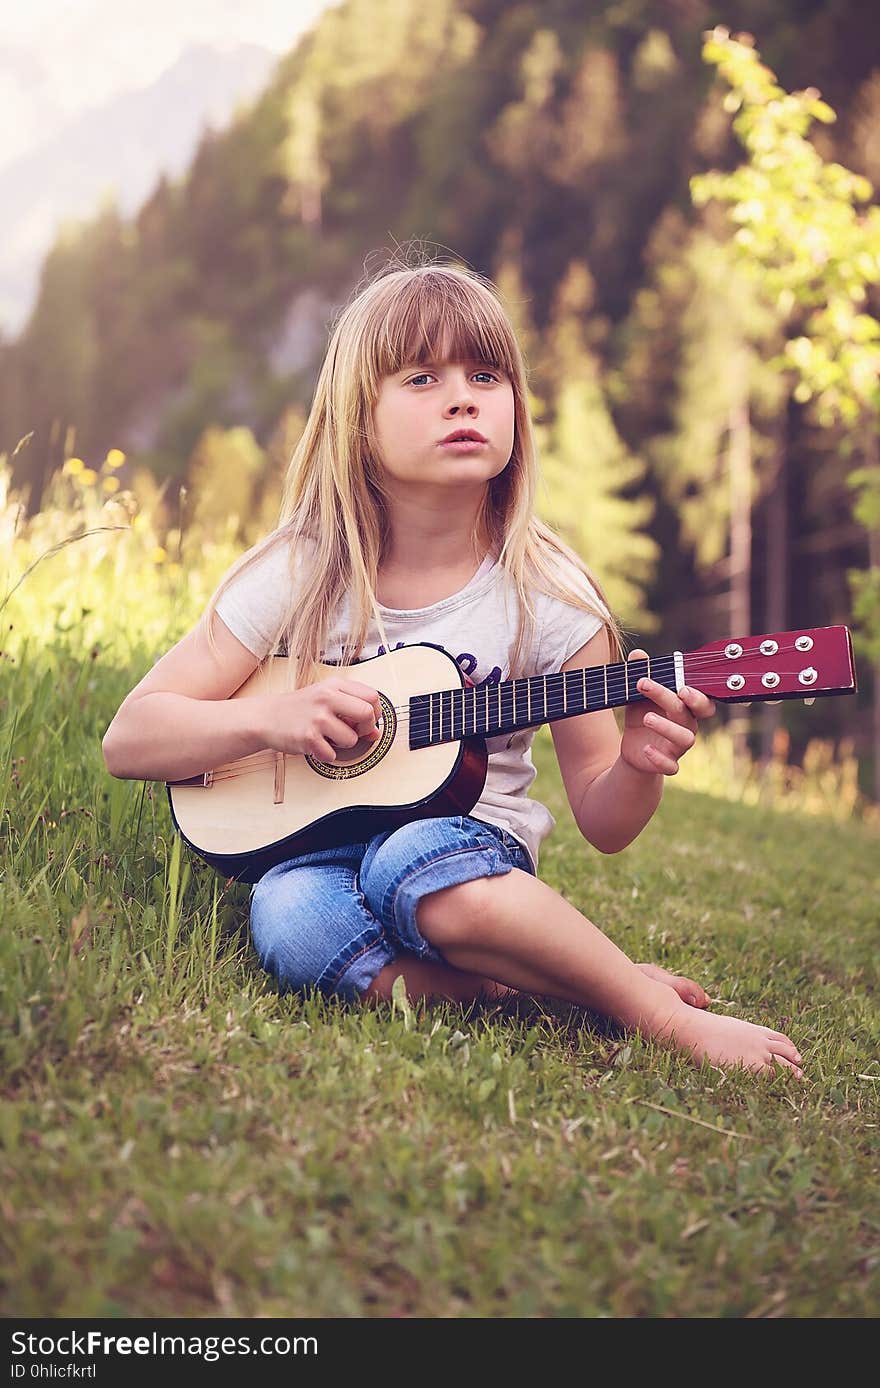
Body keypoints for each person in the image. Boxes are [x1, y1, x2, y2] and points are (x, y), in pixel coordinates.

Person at [102, 254, 804, 1079]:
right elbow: (131, 738)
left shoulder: (551, 596)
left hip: (466, 850)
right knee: (288, 920)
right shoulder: (301, 570)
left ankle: (648, 1013)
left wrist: (643, 763)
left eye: (485, 374)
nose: (463, 397)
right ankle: (530, 989)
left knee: (410, 862)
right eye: (422, 378)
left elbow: (606, 822)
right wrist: (268, 719)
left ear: (516, 411)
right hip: (312, 846)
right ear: (356, 419)